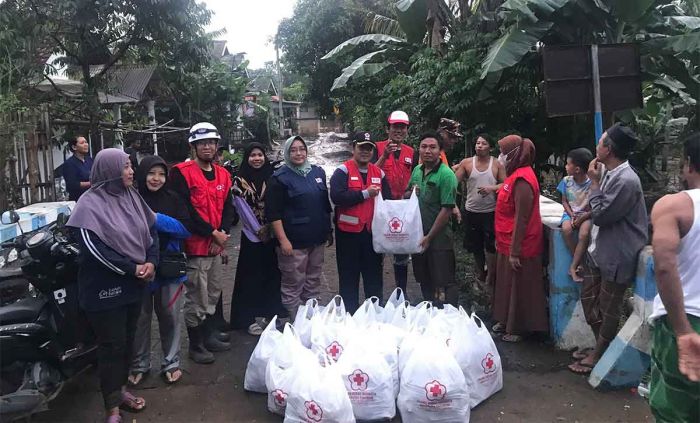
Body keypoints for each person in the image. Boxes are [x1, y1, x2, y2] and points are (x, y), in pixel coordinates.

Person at [67, 148, 158, 423]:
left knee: (129, 342)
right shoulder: (89, 204)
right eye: (125, 167)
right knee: (111, 347)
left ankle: (121, 392)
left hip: (135, 285)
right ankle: (112, 409)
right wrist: (133, 268)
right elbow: (95, 250)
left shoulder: (132, 196)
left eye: (131, 166)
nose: (131, 172)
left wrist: (151, 262)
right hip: (104, 290)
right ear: (108, 171)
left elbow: (150, 230)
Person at [568, 123, 648, 374]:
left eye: (601, 142)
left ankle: (600, 354)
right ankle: (599, 346)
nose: (597, 146)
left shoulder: (626, 180)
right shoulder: (609, 173)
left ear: (609, 148)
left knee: (608, 307)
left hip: (617, 254)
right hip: (598, 249)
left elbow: (603, 215)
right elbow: (599, 209)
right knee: (589, 299)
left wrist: (593, 184)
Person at [169, 122, 236, 364]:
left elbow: (228, 208)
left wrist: (223, 234)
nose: (207, 146)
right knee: (196, 297)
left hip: (216, 247)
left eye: (211, 142)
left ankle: (208, 336)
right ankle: (195, 345)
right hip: (195, 248)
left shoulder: (223, 174)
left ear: (217, 146)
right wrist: (212, 233)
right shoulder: (181, 173)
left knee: (213, 293)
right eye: (202, 143)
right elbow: (184, 211)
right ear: (193, 146)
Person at [648, 133, 700, 422]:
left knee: (676, 410)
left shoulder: (674, 206)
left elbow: (664, 266)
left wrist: (682, 331)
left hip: (688, 318)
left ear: (689, 165)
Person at [128, 156, 191, 386]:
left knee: (171, 316)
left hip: (169, 268)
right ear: (142, 174)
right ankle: (139, 364)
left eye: (162, 174)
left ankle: (171, 362)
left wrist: (154, 218)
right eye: (151, 173)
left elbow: (185, 229)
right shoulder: (130, 200)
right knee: (139, 319)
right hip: (137, 268)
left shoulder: (174, 199)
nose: (157, 179)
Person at [265, 135, 333, 320]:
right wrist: (283, 240)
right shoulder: (279, 178)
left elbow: (324, 204)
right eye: (293, 150)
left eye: (301, 149)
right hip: (293, 242)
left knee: (313, 279)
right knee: (293, 282)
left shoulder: (317, 172)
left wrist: (328, 230)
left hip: (316, 238)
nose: (298, 153)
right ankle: (295, 320)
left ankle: (311, 317)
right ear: (287, 153)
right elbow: (273, 214)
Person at [492, 135, 548, 343]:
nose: (500, 156)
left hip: (522, 245)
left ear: (514, 154)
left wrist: (515, 251)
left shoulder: (523, 179)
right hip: (507, 240)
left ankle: (519, 328)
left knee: (520, 287)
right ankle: (506, 321)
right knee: (507, 284)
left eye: (503, 152)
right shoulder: (513, 175)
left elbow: (522, 219)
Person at [330, 131, 392, 313]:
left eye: (369, 148)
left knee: (373, 276)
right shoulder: (343, 171)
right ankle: (349, 314)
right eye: (361, 147)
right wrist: (364, 194)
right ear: (353, 148)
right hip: (348, 234)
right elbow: (337, 196)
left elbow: (387, 200)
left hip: (372, 234)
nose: (365, 151)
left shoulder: (379, 173)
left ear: (373, 151)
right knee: (348, 277)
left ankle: (374, 314)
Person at [229, 143, 287, 335]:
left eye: (260, 155)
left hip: (272, 234)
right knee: (250, 277)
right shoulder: (238, 180)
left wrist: (271, 228)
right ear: (247, 158)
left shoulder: (273, 177)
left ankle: (271, 314)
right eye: (252, 155)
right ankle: (247, 319)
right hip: (251, 236)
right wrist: (258, 230)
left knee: (272, 275)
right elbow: (241, 207)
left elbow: (280, 203)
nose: (257, 158)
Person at [406, 132, 459, 306]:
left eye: (432, 147)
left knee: (443, 280)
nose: (427, 150)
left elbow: (446, 210)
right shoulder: (416, 170)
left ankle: (447, 317)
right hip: (418, 235)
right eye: (424, 146)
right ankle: (428, 311)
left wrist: (429, 237)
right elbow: (406, 194)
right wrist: (411, 193)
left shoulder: (446, 175)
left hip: (438, 238)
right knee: (423, 277)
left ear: (440, 151)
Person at [374, 111, 418, 293]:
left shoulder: (412, 152)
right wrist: (384, 155)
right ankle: (375, 294)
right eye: (395, 127)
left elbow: (416, 176)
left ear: (407, 130)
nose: (399, 130)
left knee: (401, 251)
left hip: (402, 208)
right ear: (388, 129)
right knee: (378, 250)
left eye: (402, 127)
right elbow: (371, 172)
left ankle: (402, 292)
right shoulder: (376, 148)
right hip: (381, 207)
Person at [454, 135, 505, 289]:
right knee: (475, 246)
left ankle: (491, 274)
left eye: (483, 143)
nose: (479, 146)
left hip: (490, 211)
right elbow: (452, 182)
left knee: (490, 245)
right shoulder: (467, 163)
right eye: (477, 143)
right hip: (471, 211)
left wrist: (491, 188)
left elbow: (505, 184)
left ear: (490, 147)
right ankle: (480, 272)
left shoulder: (496, 164)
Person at [557, 148, 594, 282]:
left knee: (584, 234)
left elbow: (594, 207)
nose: (565, 166)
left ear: (577, 169)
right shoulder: (566, 181)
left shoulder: (592, 183)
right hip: (570, 213)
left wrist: (582, 217)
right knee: (566, 230)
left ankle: (573, 267)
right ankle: (577, 260)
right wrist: (571, 214)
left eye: (568, 164)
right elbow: (564, 201)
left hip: (586, 215)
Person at [63, 136, 93, 201]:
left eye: (86, 142)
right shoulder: (69, 164)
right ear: (74, 147)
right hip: (78, 200)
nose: (86, 144)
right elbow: (72, 184)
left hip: (91, 198)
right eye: (82, 143)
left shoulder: (89, 160)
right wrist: (92, 183)